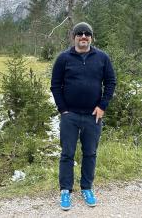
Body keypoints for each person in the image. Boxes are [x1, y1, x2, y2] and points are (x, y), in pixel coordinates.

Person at [50, 22, 116, 210]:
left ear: (91, 37)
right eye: (79, 33)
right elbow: (55, 85)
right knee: (67, 154)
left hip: (93, 116)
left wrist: (102, 106)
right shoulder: (64, 58)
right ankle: (65, 190)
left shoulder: (102, 58)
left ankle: (86, 187)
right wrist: (63, 109)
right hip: (69, 116)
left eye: (87, 33)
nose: (83, 36)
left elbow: (111, 82)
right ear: (74, 37)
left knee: (90, 153)